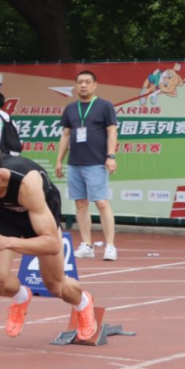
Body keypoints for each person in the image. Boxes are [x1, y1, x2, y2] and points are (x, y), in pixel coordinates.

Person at [0, 127, 100, 341]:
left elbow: (52, 244)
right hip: (3, 213)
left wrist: (8, 242)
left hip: (36, 210)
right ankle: (21, 297)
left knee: (55, 285)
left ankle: (83, 303)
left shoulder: (27, 183)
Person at [55, 71, 119, 261]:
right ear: (75, 85)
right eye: (80, 82)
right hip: (75, 162)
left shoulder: (105, 106)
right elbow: (65, 135)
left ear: (95, 85)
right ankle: (87, 245)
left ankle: (110, 246)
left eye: (87, 82)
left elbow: (112, 132)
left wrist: (111, 156)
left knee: (101, 203)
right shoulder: (70, 108)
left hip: (96, 162)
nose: (83, 85)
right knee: (80, 203)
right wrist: (59, 160)